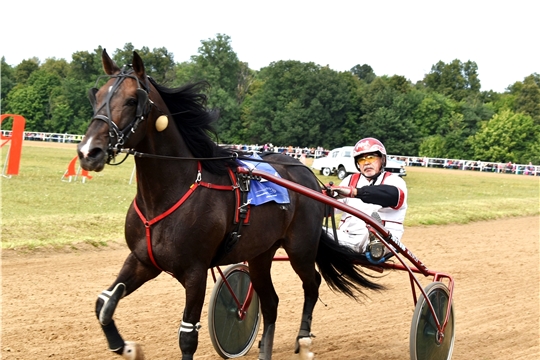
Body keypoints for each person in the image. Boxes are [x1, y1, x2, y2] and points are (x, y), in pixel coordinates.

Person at [328, 137, 408, 260]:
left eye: (371, 157)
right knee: (313, 232)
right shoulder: (349, 180)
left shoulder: (394, 180)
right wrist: (322, 197)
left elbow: (392, 196)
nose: (366, 162)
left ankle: (377, 242)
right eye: (361, 159)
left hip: (387, 238)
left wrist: (355, 192)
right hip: (347, 239)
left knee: (376, 233)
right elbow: (328, 211)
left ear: (382, 159)